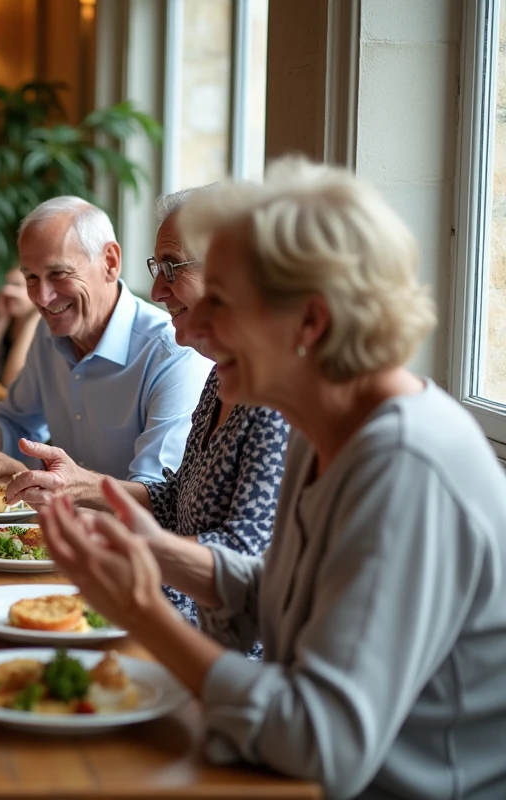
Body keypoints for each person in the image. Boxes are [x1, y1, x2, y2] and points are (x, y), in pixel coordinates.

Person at [39, 157, 506, 799]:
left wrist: (144, 613)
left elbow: (322, 742)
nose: (195, 326)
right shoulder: (325, 424)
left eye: (224, 303)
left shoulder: (406, 466)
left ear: (310, 322)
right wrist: (153, 549)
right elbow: (288, 596)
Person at [0, 188, 290, 637]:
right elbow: (174, 502)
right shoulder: (221, 378)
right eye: (157, 269)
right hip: (156, 610)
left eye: (172, 268)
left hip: (211, 643)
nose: (155, 290)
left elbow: (244, 559)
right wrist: (79, 485)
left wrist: (117, 541)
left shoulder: (273, 400)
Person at [0, 196, 212, 484]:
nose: (43, 298)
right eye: (31, 278)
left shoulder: (173, 355)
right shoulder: (48, 334)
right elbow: (18, 424)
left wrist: (68, 487)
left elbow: (154, 493)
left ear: (110, 262)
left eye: (59, 274)